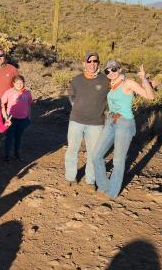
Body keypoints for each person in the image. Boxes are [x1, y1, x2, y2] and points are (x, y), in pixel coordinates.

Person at [93, 61, 155, 198]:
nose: (111, 73)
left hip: (124, 123)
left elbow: (150, 96)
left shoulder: (128, 83)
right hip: (110, 121)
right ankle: (103, 185)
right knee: (96, 155)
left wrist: (144, 79)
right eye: (107, 71)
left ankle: (112, 192)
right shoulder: (112, 85)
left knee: (118, 160)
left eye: (113, 69)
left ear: (119, 69)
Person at [64, 52, 109, 186]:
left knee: (93, 153)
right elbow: (71, 95)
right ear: (84, 63)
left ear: (98, 63)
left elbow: (118, 88)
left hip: (96, 123)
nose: (92, 64)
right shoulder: (77, 80)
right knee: (72, 150)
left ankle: (90, 180)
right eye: (89, 61)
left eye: (95, 61)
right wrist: (75, 105)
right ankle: (70, 178)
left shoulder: (106, 80)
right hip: (76, 120)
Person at [1, 75, 33, 162]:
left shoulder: (27, 92)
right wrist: (5, 115)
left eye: (21, 83)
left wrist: (29, 116)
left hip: (23, 118)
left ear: (24, 83)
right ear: (13, 83)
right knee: (9, 137)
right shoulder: (9, 92)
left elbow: (29, 105)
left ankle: (17, 154)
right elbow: (2, 104)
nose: (19, 85)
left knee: (19, 137)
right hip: (11, 119)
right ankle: (7, 156)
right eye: (17, 83)